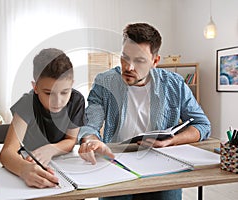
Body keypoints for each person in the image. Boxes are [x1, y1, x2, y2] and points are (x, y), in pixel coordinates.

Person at [78, 23, 211, 199]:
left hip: (162, 167)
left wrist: (171, 141)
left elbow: (202, 125)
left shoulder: (174, 84)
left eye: (139, 60)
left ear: (155, 61)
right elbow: (90, 124)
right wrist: (91, 141)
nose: (129, 67)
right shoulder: (105, 82)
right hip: (116, 165)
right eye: (125, 57)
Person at [0, 48, 86, 188]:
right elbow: (7, 152)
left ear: (72, 84)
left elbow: (71, 140)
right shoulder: (27, 103)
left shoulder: (77, 101)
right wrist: (24, 169)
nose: (57, 101)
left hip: (65, 166)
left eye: (65, 92)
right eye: (48, 93)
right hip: (31, 164)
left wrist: (51, 149)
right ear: (35, 87)